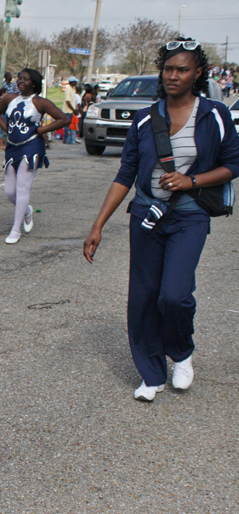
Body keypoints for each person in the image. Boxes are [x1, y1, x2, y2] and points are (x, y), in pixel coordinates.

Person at [83, 39, 239, 401]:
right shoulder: (145, 118)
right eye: (168, 69)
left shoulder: (213, 114)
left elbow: (233, 164)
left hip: (190, 216)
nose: (173, 75)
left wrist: (192, 180)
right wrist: (98, 224)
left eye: (182, 69)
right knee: (143, 297)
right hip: (146, 215)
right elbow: (125, 174)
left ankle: (181, 352)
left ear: (197, 73)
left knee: (174, 295)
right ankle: (151, 373)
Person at [0, 69, 69, 244]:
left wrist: (42, 130)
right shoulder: (10, 98)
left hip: (32, 146)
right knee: (10, 191)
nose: (20, 82)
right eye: (19, 79)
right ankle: (26, 210)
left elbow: (63, 119)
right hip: (12, 147)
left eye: (25, 79)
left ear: (33, 83)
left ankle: (15, 229)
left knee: (22, 187)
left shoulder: (40, 102)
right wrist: (7, 130)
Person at [63, 76, 79, 144]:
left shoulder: (73, 89)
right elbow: (67, 101)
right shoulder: (68, 89)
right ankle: (65, 139)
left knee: (70, 126)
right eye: (75, 82)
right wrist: (73, 109)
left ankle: (69, 139)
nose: (76, 83)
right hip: (67, 110)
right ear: (73, 82)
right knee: (67, 125)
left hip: (71, 111)